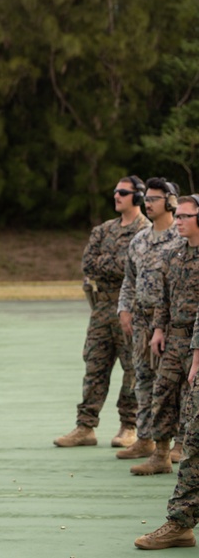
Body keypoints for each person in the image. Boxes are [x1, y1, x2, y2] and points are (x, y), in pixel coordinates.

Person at [54, 176, 150, 448]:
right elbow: (88, 264)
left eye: (123, 192)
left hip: (130, 309)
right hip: (101, 308)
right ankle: (85, 426)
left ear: (138, 197)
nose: (116, 196)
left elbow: (133, 268)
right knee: (94, 366)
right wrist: (116, 263)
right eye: (115, 191)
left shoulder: (145, 231)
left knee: (133, 369)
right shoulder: (103, 230)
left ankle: (129, 426)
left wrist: (109, 263)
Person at [131, 194, 199, 475]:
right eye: (178, 216)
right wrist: (159, 330)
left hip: (196, 341)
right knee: (162, 393)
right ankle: (161, 454)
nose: (179, 221)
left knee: (191, 400)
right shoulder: (174, 253)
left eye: (185, 216)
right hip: (174, 338)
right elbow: (164, 298)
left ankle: (184, 450)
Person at [116, 178, 181, 461]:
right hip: (142, 322)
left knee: (174, 384)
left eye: (155, 199)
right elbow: (129, 280)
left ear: (170, 203)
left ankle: (179, 442)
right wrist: (124, 309)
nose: (148, 203)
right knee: (142, 380)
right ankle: (145, 438)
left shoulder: (181, 237)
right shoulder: (139, 240)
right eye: (148, 198)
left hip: (171, 322)